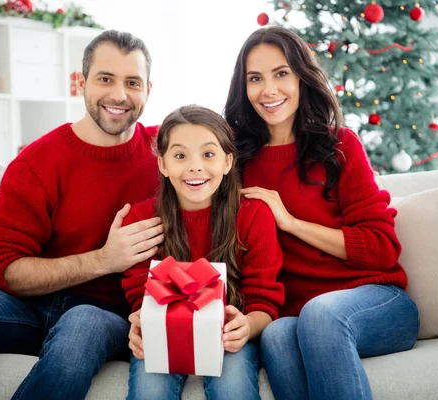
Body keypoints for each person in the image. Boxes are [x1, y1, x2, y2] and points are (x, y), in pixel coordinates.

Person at [0, 30, 164, 400]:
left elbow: (227, 147)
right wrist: (104, 260)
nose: (119, 95)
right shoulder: (39, 161)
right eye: (105, 78)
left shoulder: (168, 156)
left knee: (81, 321)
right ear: (80, 83)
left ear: (149, 90)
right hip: (29, 310)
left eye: (133, 82)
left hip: (105, 317)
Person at [224, 26, 419, 400]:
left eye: (281, 74)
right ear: (243, 87)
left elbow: (382, 249)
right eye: (255, 78)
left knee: (320, 315)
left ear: (301, 77)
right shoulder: (237, 160)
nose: (269, 90)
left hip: (377, 303)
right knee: (279, 335)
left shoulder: (340, 146)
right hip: (296, 314)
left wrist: (291, 223)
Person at [120, 105, 285, 400]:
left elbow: (265, 299)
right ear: (163, 165)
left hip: (229, 336)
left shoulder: (252, 215)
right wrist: (141, 322)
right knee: (150, 389)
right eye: (180, 156)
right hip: (165, 336)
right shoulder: (142, 220)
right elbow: (137, 293)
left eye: (208, 154)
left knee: (232, 385)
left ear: (227, 161)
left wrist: (247, 326)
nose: (195, 166)